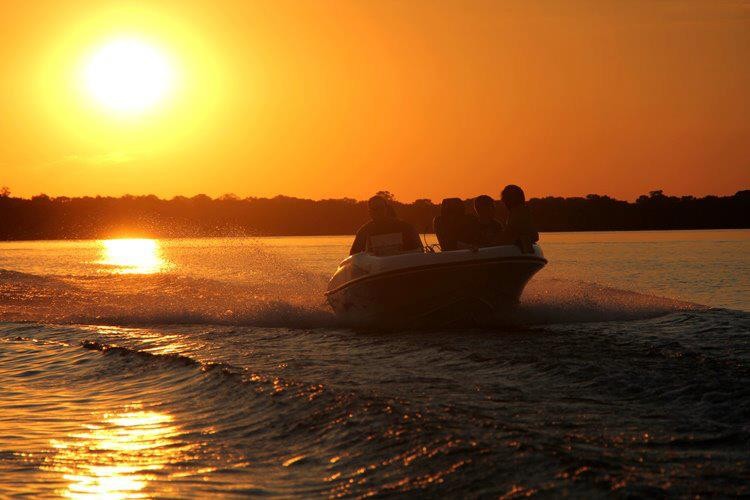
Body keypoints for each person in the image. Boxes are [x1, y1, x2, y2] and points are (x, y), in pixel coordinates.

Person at [350, 195, 423, 255]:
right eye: (374, 209)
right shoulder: (364, 231)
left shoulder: (406, 228)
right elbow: (354, 256)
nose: (378, 211)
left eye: (381, 208)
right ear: (369, 212)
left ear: (386, 209)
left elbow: (420, 250)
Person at [498, 185, 539, 252]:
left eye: (504, 198)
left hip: (521, 253)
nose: (503, 201)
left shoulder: (518, 213)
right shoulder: (523, 212)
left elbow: (507, 235)